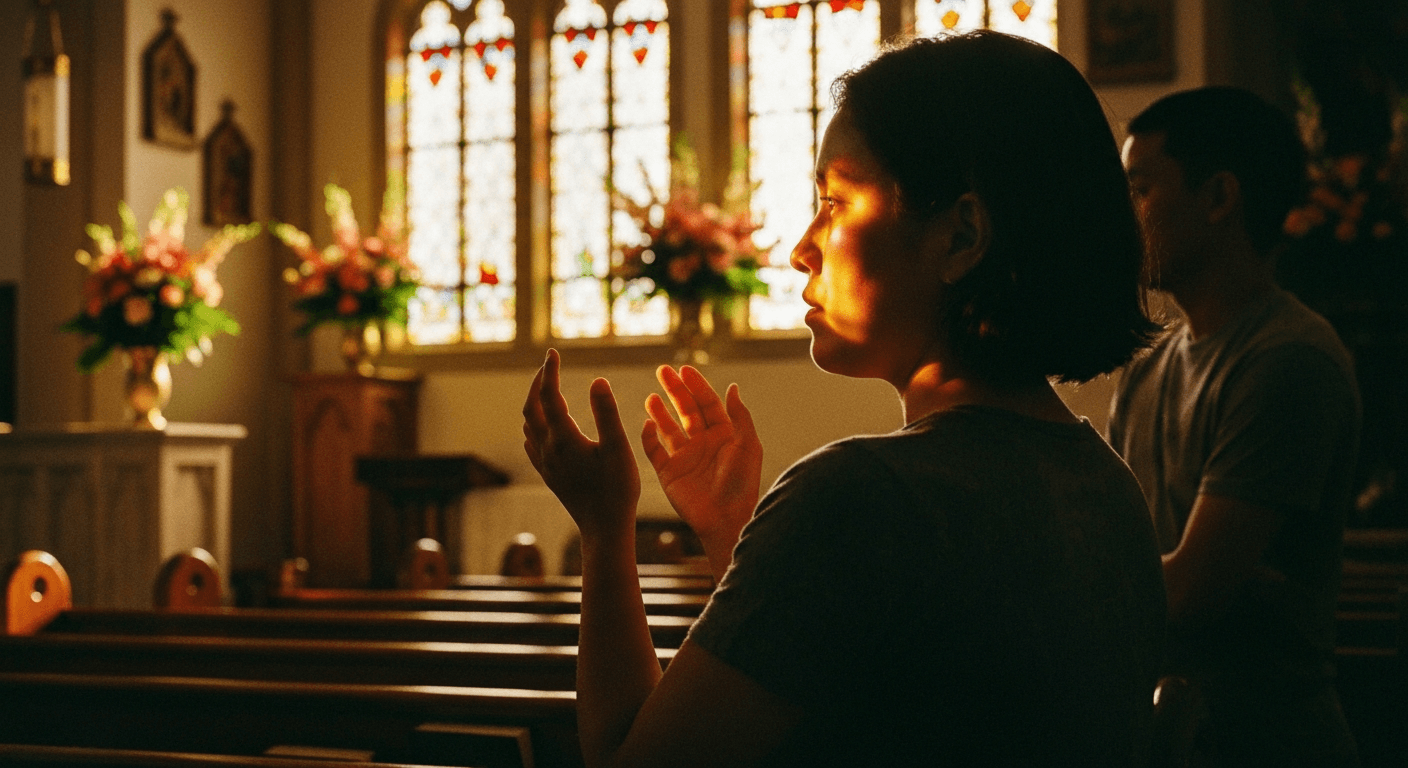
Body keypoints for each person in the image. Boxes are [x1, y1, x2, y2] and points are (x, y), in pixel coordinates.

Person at [523, 31, 1165, 767]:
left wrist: (606, 530)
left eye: (835, 202)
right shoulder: (1109, 490)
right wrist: (736, 533)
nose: (802, 246)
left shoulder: (861, 495)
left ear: (960, 236)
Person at [1108, 87, 1363, 767]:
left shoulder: (1287, 359)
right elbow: (1110, 541)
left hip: (1266, 741)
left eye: (1139, 190)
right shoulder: (1147, 366)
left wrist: (1089, 575)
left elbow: (1189, 593)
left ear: (1220, 198)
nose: (1121, 216)